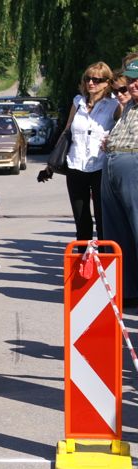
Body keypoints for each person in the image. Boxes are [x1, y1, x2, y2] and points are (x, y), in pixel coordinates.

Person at [39, 62, 119, 244]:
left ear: (107, 82)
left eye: (97, 80)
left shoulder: (114, 105)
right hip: (75, 164)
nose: (91, 83)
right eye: (88, 78)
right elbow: (67, 130)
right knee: (81, 220)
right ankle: (83, 258)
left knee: (102, 219)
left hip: (100, 167)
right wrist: (51, 164)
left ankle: (104, 257)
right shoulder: (78, 102)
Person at [102, 57, 138, 308]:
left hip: (133, 165)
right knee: (116, 232)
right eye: (131, 80)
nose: (133, 85)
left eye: (137, 81)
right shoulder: (128, 106)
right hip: (113, 164)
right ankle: (127, 291)